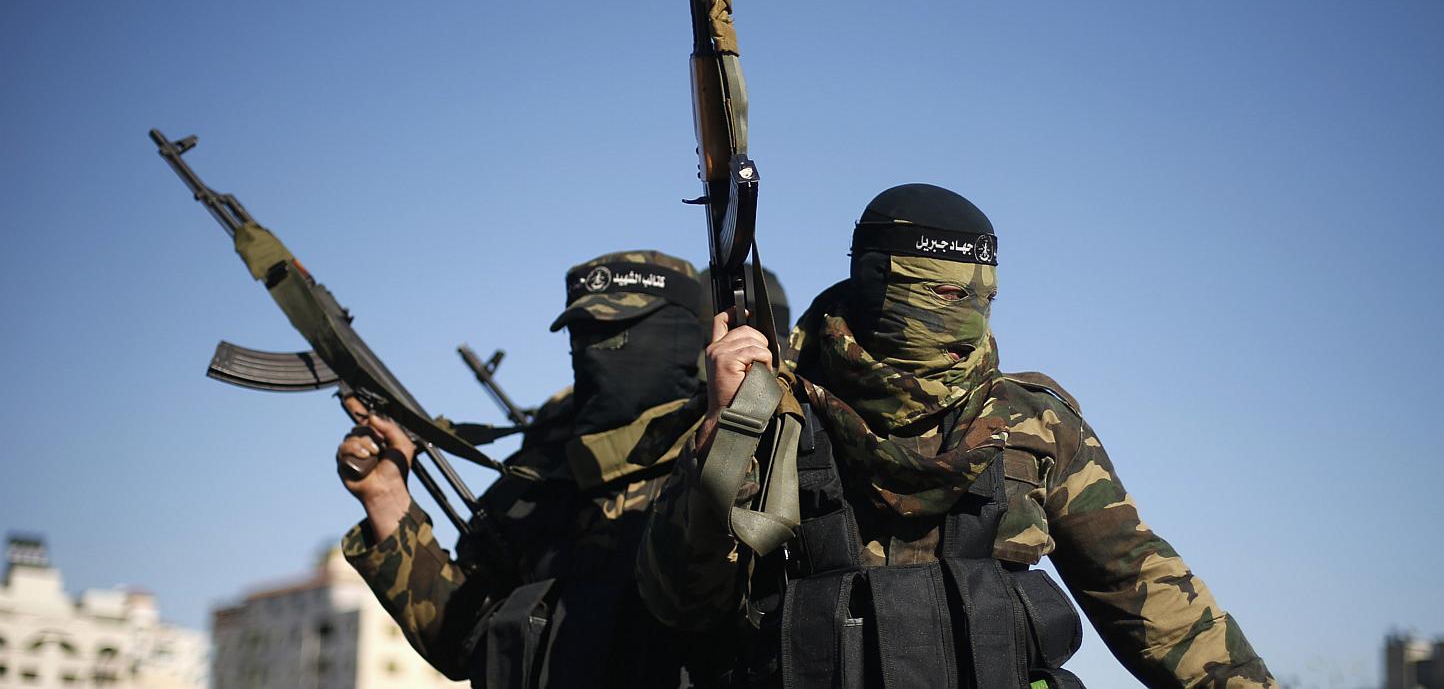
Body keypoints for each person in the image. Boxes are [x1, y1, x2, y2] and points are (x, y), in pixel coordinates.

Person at [637, 184, 1277, 688]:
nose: (962, 313)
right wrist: (728, 428)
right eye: (938, 292)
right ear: (872, 282)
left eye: (977, 296)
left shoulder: (1034, 423)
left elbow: (1149, 599)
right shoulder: (773, 411)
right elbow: (678, 601)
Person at [338, 250, 720, 688]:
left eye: (615, 333)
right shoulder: (540, 476)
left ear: (681, 333)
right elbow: (463, 637)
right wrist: (386, 498)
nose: (594, 352)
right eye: (581, 335)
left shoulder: (719, 457)